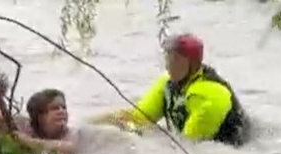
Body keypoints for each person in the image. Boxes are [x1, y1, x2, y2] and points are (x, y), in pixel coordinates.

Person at [89, 33, 251, 146]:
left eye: (174, 59)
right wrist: (89, 127)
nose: (167, 64)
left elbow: (189, 147)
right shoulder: (167, 84)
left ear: (192, 64)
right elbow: (137, 118)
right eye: (167, 58)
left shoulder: (209, 95)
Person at [0, 72, 81, 154]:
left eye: (63, 107)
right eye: (55, 108)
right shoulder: (23, 124)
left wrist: (28, 142)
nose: (61, 111)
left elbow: (70, 149)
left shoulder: (71, 134)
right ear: (40, 117)